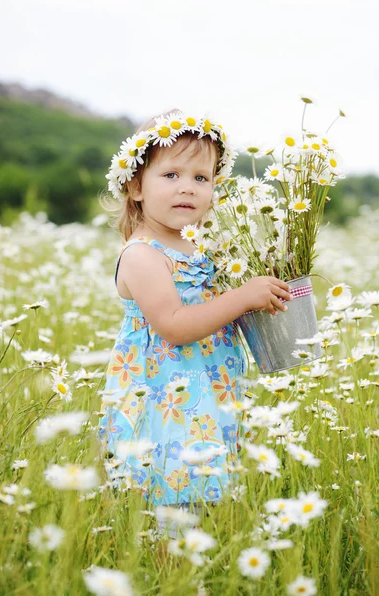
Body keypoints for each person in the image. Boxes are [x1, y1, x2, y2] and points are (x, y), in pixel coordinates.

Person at [98, 109, 292, 531]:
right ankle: (169, 577)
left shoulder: (202, 249)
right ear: (135, 186)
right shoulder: (143, 254)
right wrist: (242, 297)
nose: (187, 187)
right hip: (164, 397)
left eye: (201, 178)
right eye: (171, 176)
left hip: (207, 393)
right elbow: (175, 324)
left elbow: (218, 310)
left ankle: (192, 573)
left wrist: (259, 293)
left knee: (200, 499)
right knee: (169, 500)